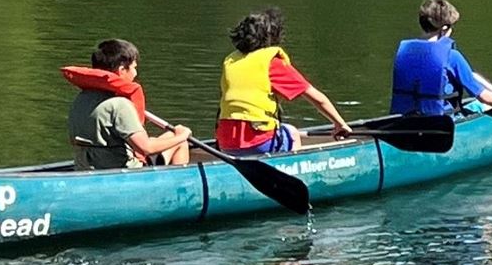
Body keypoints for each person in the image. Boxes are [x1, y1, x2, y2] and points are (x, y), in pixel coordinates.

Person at [215, 9, 356, 156]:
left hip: (225, 142)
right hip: (257, 141)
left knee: (284, 130)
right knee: (292, 132)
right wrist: (340, 124)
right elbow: (318, 99)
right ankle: (294, 167)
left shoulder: (232, 62)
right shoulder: (271, 63)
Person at [64, 38, 195, 170]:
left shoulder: (82, 98)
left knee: (170, 136)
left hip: (85, 167)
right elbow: (146, 148)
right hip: (123, 170)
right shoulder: (120, 105)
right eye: (134, 68)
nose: (135, 73)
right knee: (180, 141)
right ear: (122, 70)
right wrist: (182, 136)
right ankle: (176, 181)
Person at [386, 0, 492, 118]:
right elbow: (482, 95)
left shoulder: (405, 52)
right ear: (444, 28)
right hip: (442, 122)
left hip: (405, 121)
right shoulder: (452, 56)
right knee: (483, 105)